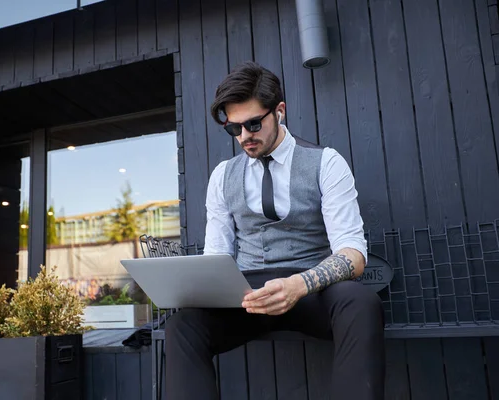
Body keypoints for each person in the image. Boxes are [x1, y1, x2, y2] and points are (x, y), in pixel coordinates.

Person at [165, 61, 385, 400]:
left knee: (361, 303)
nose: (243, 137)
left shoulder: (326, 162)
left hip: (312, 287)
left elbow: (353, 255)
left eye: (253, 124)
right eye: (233, 129)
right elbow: (218, 255)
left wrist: (299, 284)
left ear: (279, 111)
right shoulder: (223, 176)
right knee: (182, 325)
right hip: (248, 293)